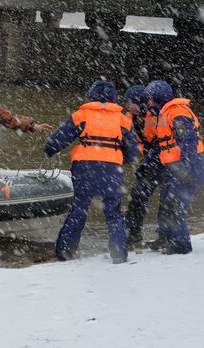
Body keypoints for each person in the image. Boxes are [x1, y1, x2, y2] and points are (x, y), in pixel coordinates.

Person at [43, 80, 140, 264]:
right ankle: (119, 254)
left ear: (90, 95)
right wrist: (120, 159)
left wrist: (49, 149)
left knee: (79, 211)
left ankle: (65, 253)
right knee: (113, 214)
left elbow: (60, 138)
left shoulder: (82, 115)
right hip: (112, 170)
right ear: (113, 99)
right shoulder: (123, 120)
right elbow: (133, 150)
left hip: (85, 169)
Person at [144, 80, 204, 254]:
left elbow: (188, 141)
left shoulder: (177, 112)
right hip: (175, 168)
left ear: (158, 98)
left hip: (187, 167)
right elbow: (164, 144)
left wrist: (186, 167)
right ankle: (165, 237)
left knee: (176, 205)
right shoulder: (165, 114)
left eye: (150, 99)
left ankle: (181, 245)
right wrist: (148, 160)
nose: (148, 103)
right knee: (167, 202)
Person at [122, 85, 167, 249]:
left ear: (140, 103)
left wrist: (148, 162)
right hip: (151, 161)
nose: (126, 106)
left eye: (129, 102)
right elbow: (123, 139)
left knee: (167, 199)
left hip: (167, 161)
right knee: (137, 195)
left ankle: (165, 237)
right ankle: (133, 235)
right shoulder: (130, 117)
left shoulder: (157, 114)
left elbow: (162, 142)